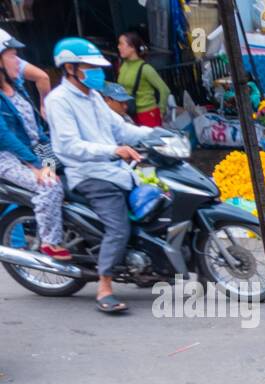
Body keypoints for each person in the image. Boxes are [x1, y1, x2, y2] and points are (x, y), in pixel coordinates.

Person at [44, 36, 153, 314]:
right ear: (70, 68)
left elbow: (121, 129)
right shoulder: (59, 100)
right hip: (89, 173)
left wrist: (156, 135)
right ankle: (104, 286)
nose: (97, 72)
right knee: (118, 226)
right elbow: (70, 145)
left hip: (114, 170)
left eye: (98, 67)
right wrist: (115, 150)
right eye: (90, 66)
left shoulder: (93, 97)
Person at [0, 32, 67, 260]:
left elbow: (36, 130)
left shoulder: (16, 87)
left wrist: (50, 156)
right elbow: (6, 137)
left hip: (35, 150)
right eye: (13, 56)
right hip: (9, 158)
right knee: (49, 184)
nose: (18, 62)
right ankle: (50, 242)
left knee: (70, 175)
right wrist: (36, 166)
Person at [115, 31, 169, 127]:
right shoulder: (123, 66)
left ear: (132, 47)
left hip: (148, 114)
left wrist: (161, 110)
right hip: (130, 113)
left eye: (121, 44)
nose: (119, 47)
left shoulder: (145, 68)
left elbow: (164, 90)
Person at [0, 28, 51, 111]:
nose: (17, 61)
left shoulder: (10, 60)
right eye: (12, 55)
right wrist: (45, 107)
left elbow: (42, 77)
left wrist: (45, 107)